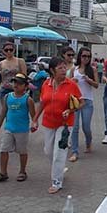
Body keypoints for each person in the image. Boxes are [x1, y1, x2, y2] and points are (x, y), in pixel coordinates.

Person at [32, 57, 83, 194]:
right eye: (60, 68)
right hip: (49, 122)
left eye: (64, 67)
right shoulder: (46, 84)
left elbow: (81, 102)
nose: (63, 70)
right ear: (52, 70)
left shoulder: (71, 84)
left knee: (59, 152)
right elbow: (42, 103)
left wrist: (70, 110)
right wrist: (35, 119)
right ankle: (59, 168)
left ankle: (57, 181)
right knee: (48, 151)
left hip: (66, 124)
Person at [0, 73, 35, 183]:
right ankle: (3, 173)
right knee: (3, 150)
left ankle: (22, 171)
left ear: (25, 86)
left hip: (22, 130)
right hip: (8, 129)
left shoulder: (28, 100)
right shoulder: (7, 97)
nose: (16, 85)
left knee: (22, 151)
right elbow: (3, 112)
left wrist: (34, 124)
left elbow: (34, 116)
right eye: (14, 82)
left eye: (19, 83)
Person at [69, 47, 98, 162]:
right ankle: (75, 152)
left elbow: (96, 85)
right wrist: (73, 81)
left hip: (87, 101)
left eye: (88, 56)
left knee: (86, 126)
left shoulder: (93, 69)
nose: (86, 58)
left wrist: (88, 80)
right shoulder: (74, 69)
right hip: (75, 101)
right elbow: (68, 83)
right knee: (75, 127)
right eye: (84, 56)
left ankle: (88, 142)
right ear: (79, 56)